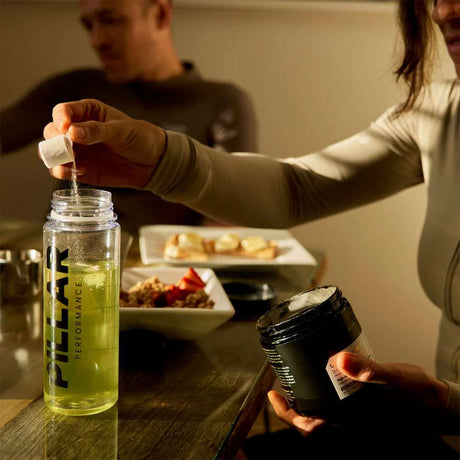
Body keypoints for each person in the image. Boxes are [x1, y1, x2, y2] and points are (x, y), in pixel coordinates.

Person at [41, 0, 459, 456]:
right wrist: (158, 160)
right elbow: (296, 189)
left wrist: (444, 403)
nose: (443, 11)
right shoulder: (440, 110)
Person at [0, 0, 257, 234]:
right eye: (89, 26)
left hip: (167, 262)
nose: (97, 40)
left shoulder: (222, 102)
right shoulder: (75, 90)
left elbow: (229, 220)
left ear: (160, 14)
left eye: (110, 20)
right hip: (71, 255)